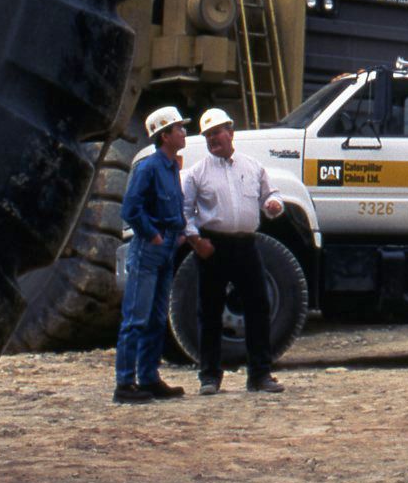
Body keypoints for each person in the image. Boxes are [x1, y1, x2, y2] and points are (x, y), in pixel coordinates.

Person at [182, 107, 287, 394]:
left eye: (217, 133)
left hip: (246, 245)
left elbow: (271, 194)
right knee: (210, 311)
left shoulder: (253, 167)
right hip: (212, 246)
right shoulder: (196, 173)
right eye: (208, 135)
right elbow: (185, 212)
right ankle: (209, 377)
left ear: (231, 132)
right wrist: (196, 241)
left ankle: (260, 375)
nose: (213, 139)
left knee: (258, 307)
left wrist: (274, 206)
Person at [114, 106, 192, 403]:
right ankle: (124, 384)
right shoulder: (148, 167)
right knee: (136, 318)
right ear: (165, 135)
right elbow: (130, 209)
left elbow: (175, 204)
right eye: (179, 129)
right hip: (150, 247)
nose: (184, 132)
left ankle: (148, 377)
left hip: (166, 246)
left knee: (157, 318)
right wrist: (153, 233)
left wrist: (179, 231)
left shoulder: (171, 166)